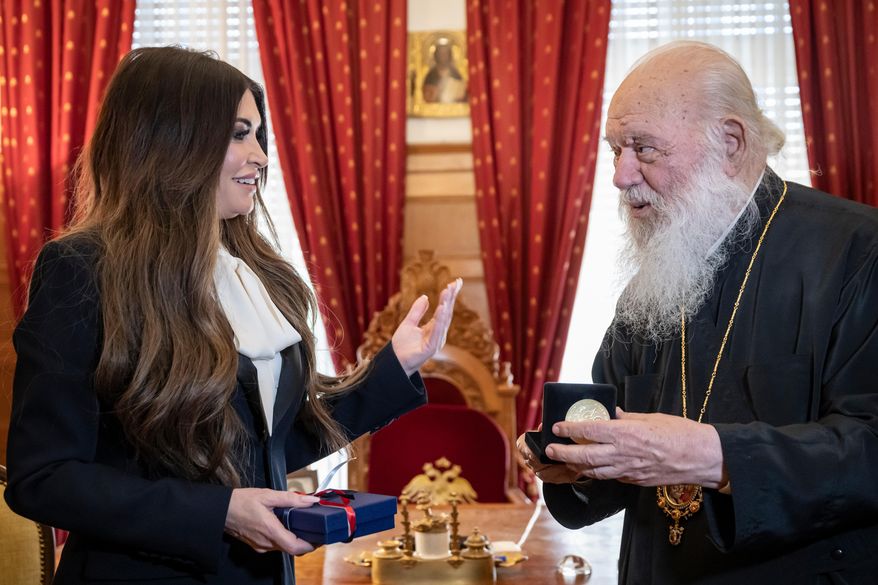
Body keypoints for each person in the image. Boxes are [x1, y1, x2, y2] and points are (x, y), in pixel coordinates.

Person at [4, 46, 461, 585]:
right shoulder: (81, 268)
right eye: (240, 133)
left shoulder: (253, 270)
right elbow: (44, 477)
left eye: (258, 135)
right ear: (175, 141)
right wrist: (217, 512)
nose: (262, 156)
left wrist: (395, 367)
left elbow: (265, 447)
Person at [518, 41, 878, 583]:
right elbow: (622, 434)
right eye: (615, 150)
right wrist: (579, 464)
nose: (620, 175)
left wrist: (715, 456)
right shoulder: (655, 280)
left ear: (729, 143)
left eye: (643, 148)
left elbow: (869, 448)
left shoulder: (857, 250)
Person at [421, 40, 467, 104]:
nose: (443, 56)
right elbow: (426, 95)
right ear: (436, 55)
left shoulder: (456, 74)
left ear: (449, 55)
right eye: (441, 53)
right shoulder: (430, 75)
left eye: (445, 53)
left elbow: (462, 94)